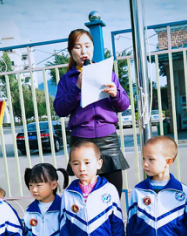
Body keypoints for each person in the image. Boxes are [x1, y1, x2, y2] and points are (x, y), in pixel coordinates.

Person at [54, 29, 130, 197]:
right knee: (86, 196)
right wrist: (77, 88)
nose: (83, 51)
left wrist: (116, 93)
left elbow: (124, 105)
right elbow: (60, 109)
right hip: (81, 141)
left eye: (87, 46)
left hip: (108, 140)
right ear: (70, 51)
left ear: (93, 48)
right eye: (77, 47)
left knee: (113, 195)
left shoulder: (107, 73)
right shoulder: (67, 79)